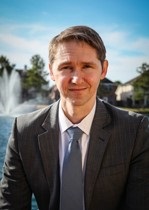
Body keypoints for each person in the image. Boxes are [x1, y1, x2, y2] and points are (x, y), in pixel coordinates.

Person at [0, 25, 149, 210]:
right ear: (52, 72)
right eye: (66, 67)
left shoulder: (134, 130)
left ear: (103, 69)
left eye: (87, 66)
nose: (77, 79)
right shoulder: (23, 131)